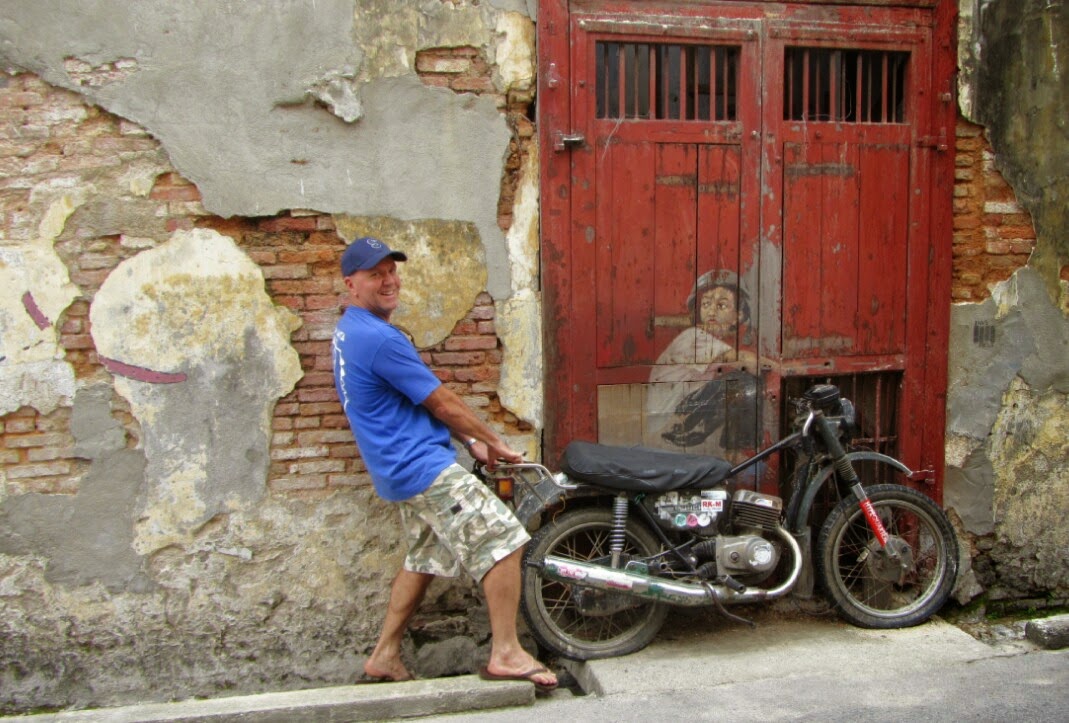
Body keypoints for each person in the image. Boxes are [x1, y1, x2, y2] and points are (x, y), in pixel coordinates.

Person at [331, 236, 557, 693]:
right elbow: (441, 402)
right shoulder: (379, 339)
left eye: (392, 271)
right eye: (375, 275)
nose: (389, 281)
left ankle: (384, 654)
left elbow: (414, 403)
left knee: (424, 558)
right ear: (351, 284)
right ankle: (506, 653)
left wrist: (469, 442)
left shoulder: (349, 330)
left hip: (398, 469)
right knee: (504, 539)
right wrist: (492, 441)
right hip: (421, 468)